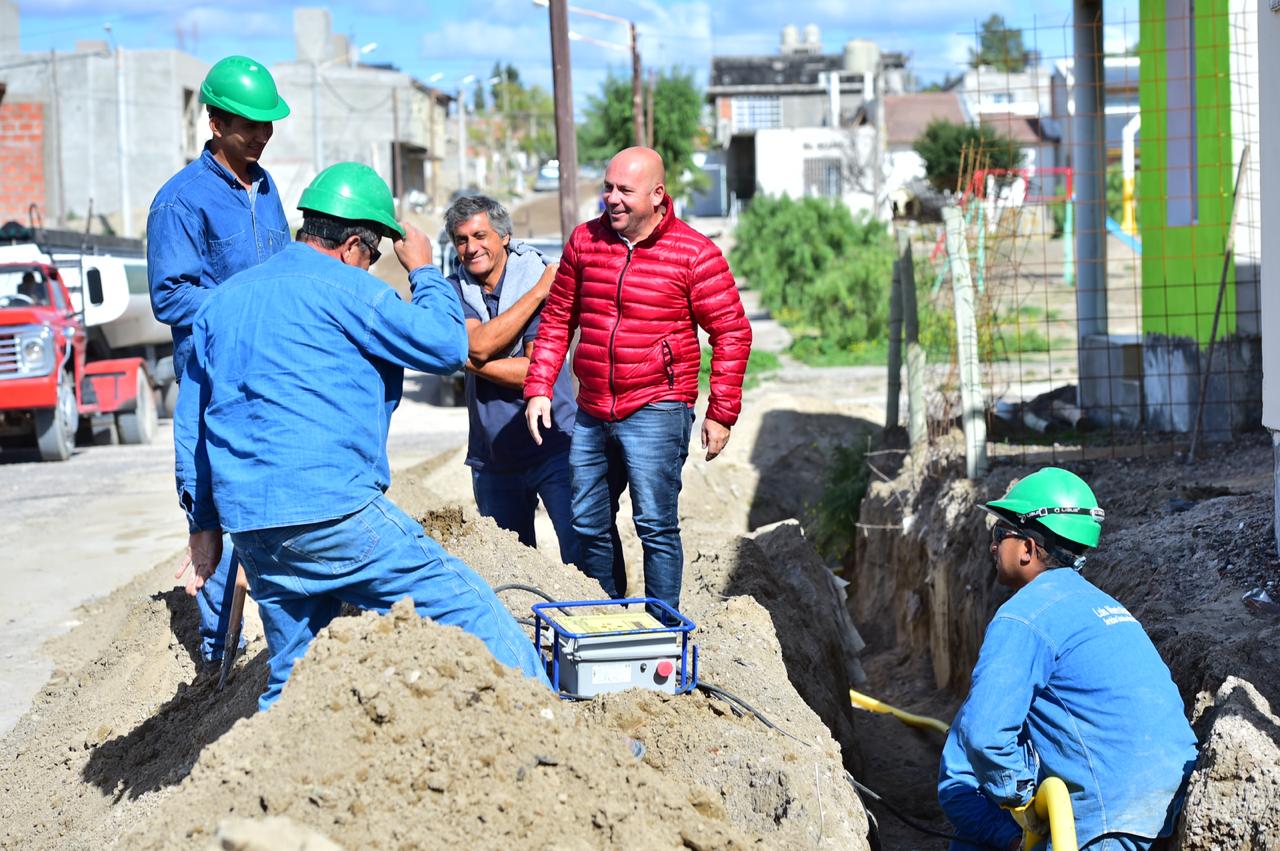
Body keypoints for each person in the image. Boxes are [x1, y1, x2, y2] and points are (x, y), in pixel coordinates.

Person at [174, 162, 550, 710]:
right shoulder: (347, 288)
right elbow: (448, 346)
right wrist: (423, 271)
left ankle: (262, 782)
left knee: (293, 673)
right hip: (333, 509)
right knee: (469, 607)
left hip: (251, 524)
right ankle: (552, 725)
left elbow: (193, 426)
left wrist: (203, 523)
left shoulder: (224, 300)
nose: (369, 269)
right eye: (371, 259)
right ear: (354, 246)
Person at [523, 146, 752, 623]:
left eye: (624, 190)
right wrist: (540, 384)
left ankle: (662, 629)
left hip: (658, 406)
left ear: (657, 194)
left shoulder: (694, 252)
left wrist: (720, 412)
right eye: (608, 188)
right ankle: (608, 620)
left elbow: (731, 330)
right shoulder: (585, 242)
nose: (612, 199)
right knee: (587, 522)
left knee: (655, 526)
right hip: (592, 409)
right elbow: (558, 317)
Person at [937, 467, 1198, 851]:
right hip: (1170, 801)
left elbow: (983, 736)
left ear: (1027, 548)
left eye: (999, 534)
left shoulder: (1023, 617)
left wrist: (1024, 806)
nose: (993, 547)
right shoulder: (1103, 605)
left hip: (1105, 819)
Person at [147, 55, 291, 667]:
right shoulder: (181, 201)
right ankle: (216, 664)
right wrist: (246, 304)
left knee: (277, 504)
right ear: (214, 121)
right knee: (213, 507)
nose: (261, 136)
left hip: (274, 374)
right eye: (247, 126)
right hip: (213, 379)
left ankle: (281, 641)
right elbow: (170, 295)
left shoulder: (268, 187)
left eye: (267, 125)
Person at [444, 195, 579, 565]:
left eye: (480, 235)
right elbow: (480, 344)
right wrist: (474, 351)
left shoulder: (537, 274)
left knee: (584, 556)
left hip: (554, 444)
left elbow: (536, 371)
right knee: (512, 570)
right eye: (461, 239)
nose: (471, 248)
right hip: (493, 458)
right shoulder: (454, 289)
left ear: (503, 237)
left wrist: (468, 361)